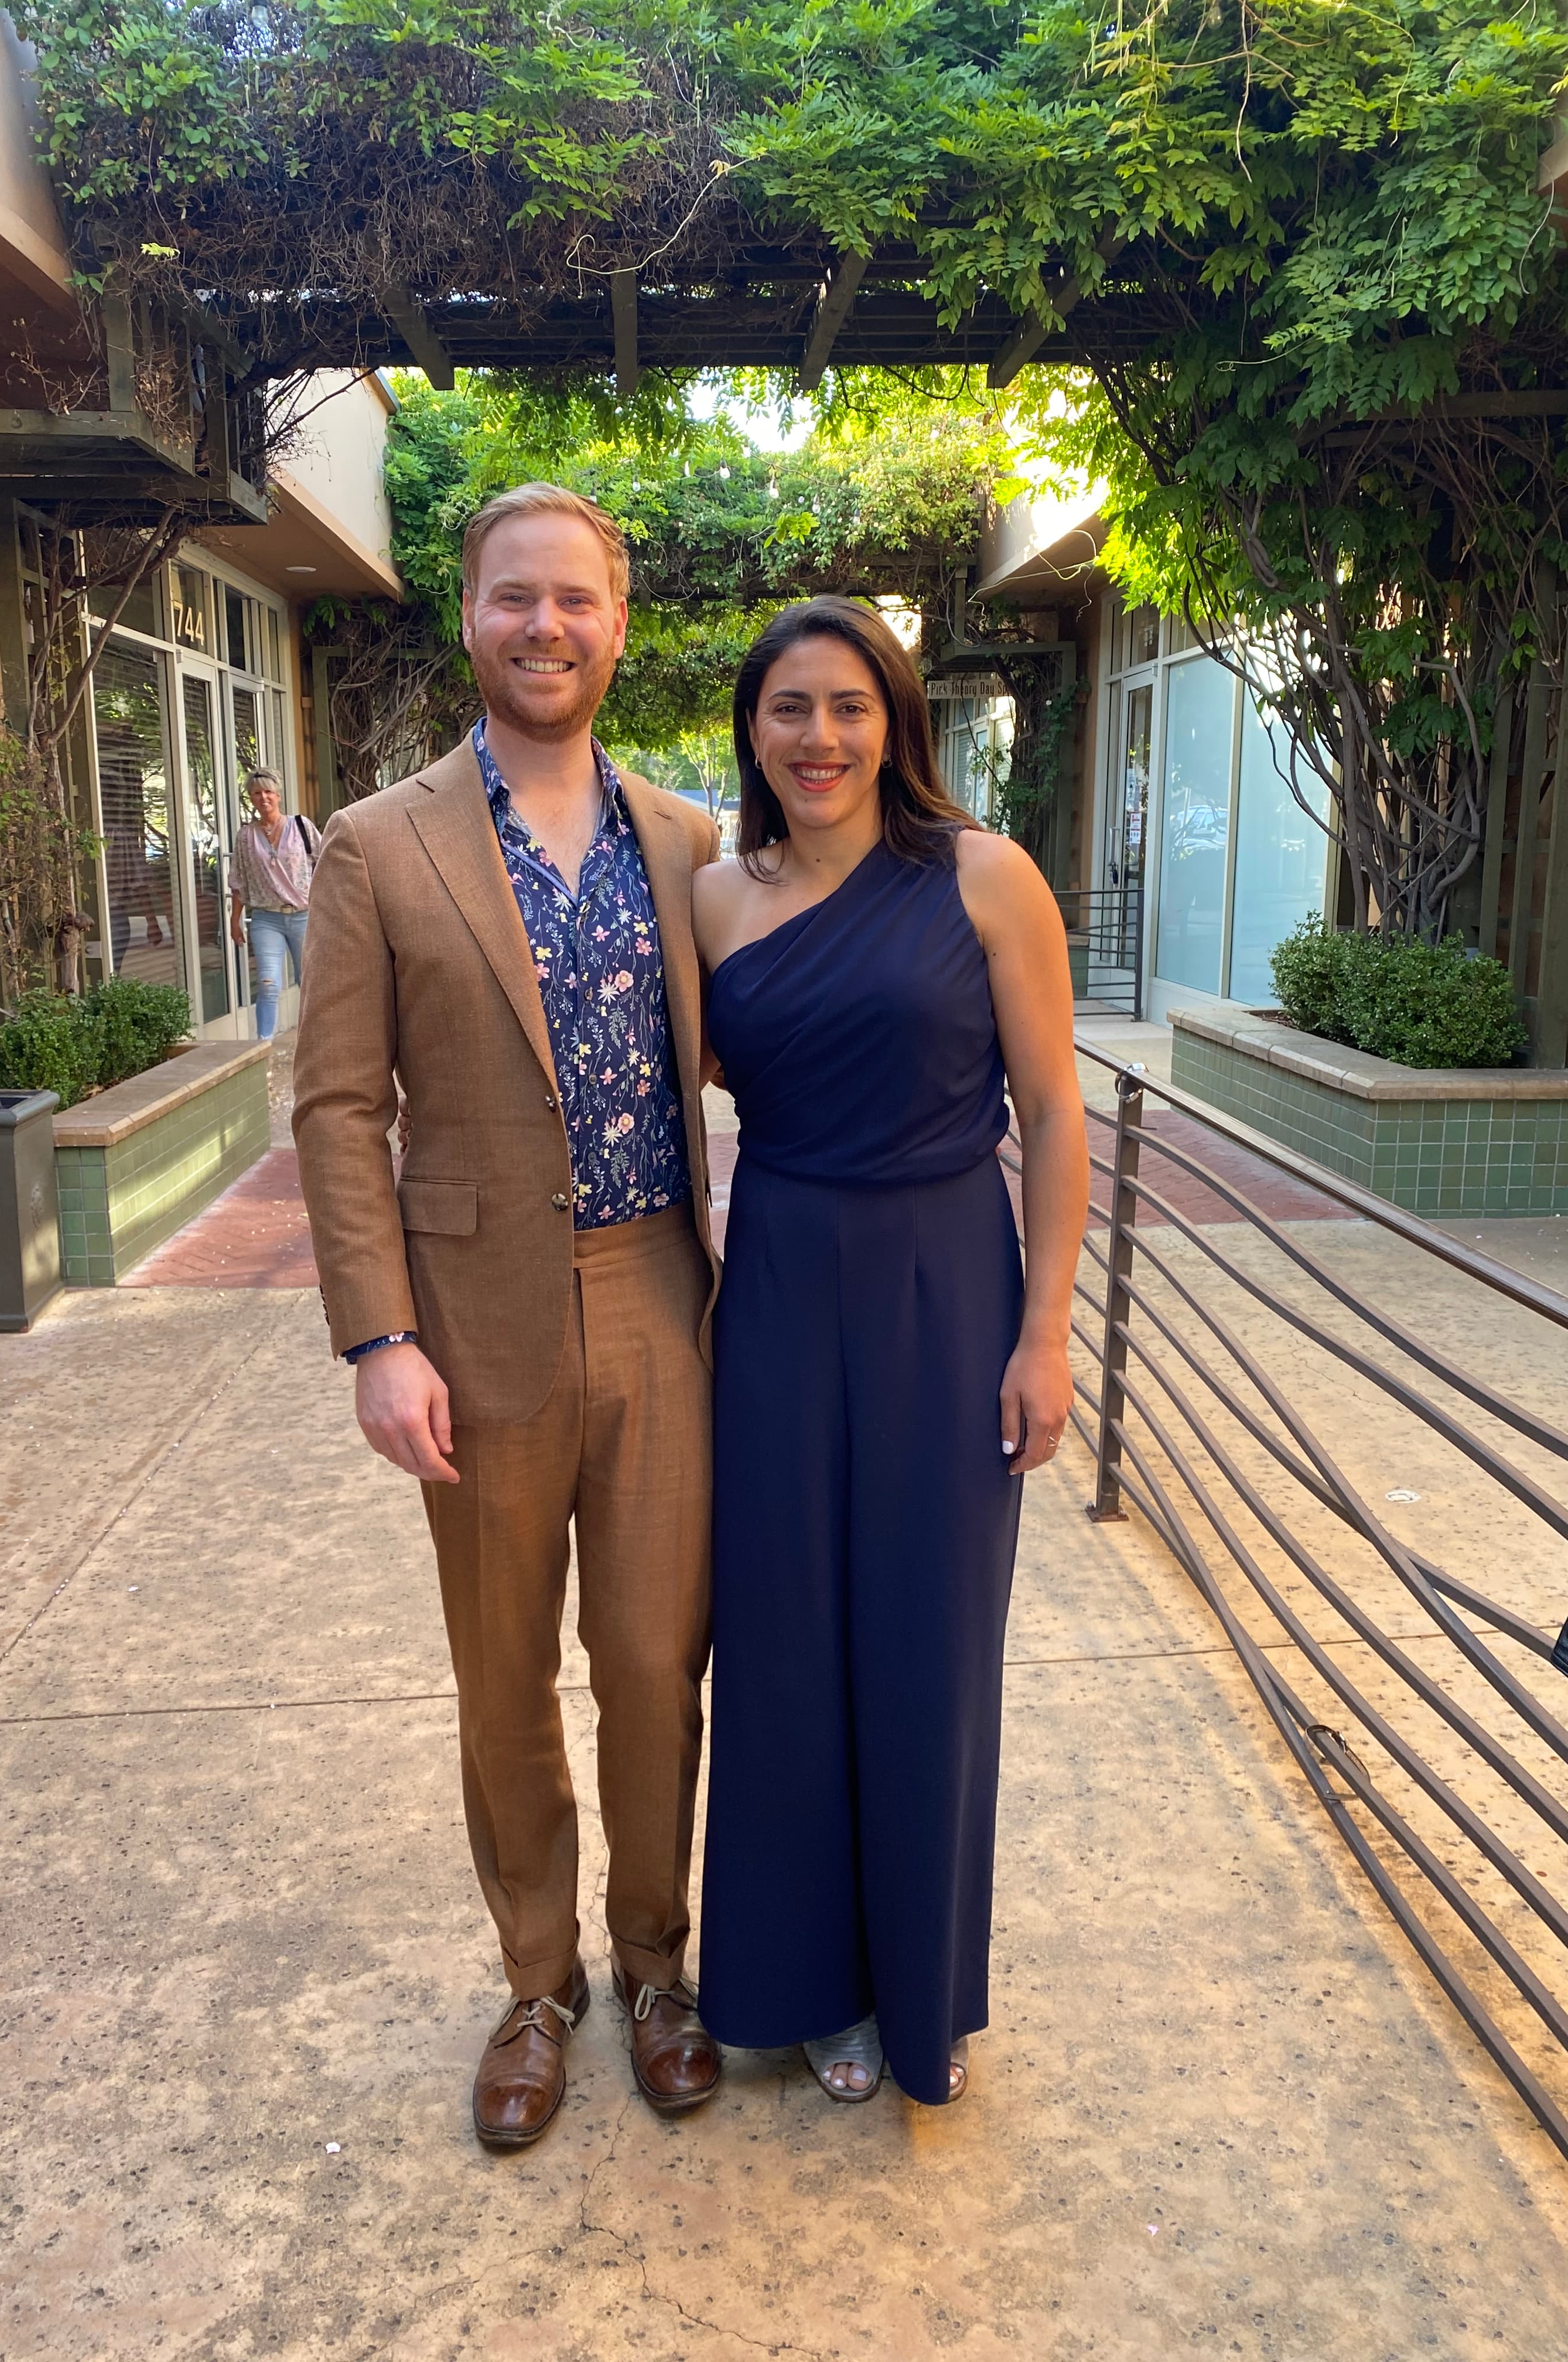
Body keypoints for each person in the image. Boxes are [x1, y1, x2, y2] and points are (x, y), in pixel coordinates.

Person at [292, 483, 725, 2150]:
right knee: (501, 1681)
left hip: (661, 1299)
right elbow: (337, 1107)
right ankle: (538, 1986)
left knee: (650, 1665)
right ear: (467, 617)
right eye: (514, 599)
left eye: (578, 601)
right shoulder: (378, 844)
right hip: (467, 1325)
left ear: (620, 623)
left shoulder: (686, 842)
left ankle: (656, 1966)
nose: (546, 627)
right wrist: (374, 1335)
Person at [691, 596, 1088, 2108]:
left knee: (928, 1645)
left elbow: (1054, 1117)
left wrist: (1044, 1333)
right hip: (784, 1283)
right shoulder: (720, 899)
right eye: (790, 707)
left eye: (850, 705)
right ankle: (813, 1990)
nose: (821, 736)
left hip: (947, 1285)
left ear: (896, 720)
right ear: (754, 729)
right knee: (789, 1644)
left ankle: (922, 1993)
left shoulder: (986, 878)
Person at [230, 766, 320, 1039]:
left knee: (309, 982)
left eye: (268, 792)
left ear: (278, 795)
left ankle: (314, 1039)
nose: (264, 798)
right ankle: (263, 1046)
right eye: (257, 793)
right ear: (251, 799)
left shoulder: (301, 827)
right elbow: (239, 880)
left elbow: (327, 863)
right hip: (266, 919)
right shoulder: (246, 836)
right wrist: (235, 921)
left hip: (305, 916)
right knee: (268, 983)